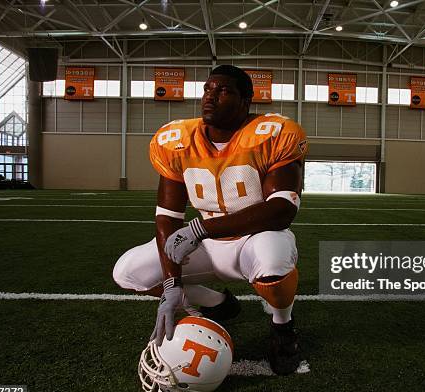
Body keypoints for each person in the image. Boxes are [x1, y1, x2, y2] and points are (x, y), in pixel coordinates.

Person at [113, 65, 307, 375]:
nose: (211, 97)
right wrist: (171, 284)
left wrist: (202, 228)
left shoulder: (273, 134)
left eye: (223, 91)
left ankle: (283, 328)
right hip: (205, 244)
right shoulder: (177, 140)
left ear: (246, 101)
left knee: (273, 260)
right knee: (128, 273)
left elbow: (281, 209)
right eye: (207, 90)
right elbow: (168, 215)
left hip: (253, 239)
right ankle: (217, 303)